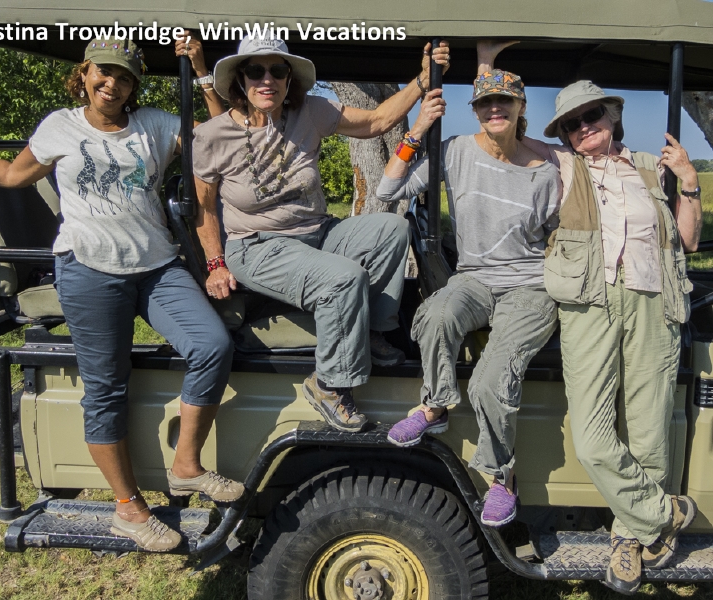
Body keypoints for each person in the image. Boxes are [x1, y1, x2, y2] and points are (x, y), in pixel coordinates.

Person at [0, 38, 243, 553]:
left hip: (157, 267)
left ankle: (186, 465)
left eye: (124, 77)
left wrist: (201, 69)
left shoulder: (154, 124)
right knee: (107, 389)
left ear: (134, 86)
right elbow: (10, 175)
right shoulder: (60, 126)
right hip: (88, 270)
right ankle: (128, 508)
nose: (111, 84)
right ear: (85, 74)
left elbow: (219, 133)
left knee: (211, 345)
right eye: (103, 73)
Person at [478, 41, 702, 594]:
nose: (583, 127)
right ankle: (664, 514)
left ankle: (630, 538)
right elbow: (501, 130)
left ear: (612, 115)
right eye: (571, 124)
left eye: (591, 115)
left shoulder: (653, 168)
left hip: (652, 301)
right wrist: (487, 64)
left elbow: (689, 241)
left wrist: (689, 182)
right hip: (589, 305)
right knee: (594, 438)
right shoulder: (561, 165)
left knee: (648, 431)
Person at [192, 37, 448, 433]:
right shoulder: (213, 134)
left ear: (289, 79)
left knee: (392, 228)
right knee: (343, 280)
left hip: (318, 231)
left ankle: (373, 332)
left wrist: (423, 79)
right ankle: (329, 384)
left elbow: (377, 121)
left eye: (278, 70)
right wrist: (215, 263)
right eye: (256, 70)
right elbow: (204, 208)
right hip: (258, 246)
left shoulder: (310, 111)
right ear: (240, 79)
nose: (267, 80)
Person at [376, 43, 561, 529]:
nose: (495, 109)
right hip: (475, 278)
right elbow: (387, 189)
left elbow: (560, 236)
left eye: (504, 101)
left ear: (521, 107)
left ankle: (502, 476)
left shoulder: (546, 172)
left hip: (530, 287)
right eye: (485, 103)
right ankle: (435, 403)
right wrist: (417, 130)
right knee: (435, 314)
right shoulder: (456, 150)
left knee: (489, 380)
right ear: (476, 111)